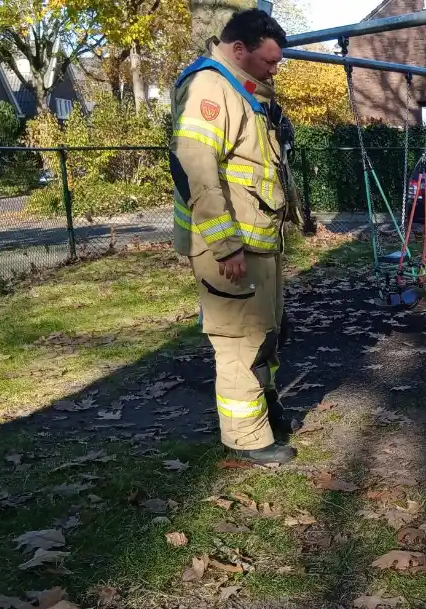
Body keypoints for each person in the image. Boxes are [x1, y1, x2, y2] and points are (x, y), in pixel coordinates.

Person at [170, 9, 300, 464]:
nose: (274, 69)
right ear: (239, 49)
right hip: (230, 246)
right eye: (269, 61)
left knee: (265, 333)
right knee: (238, 342)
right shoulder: (210, 88)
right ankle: (245, 437)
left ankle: (264, 407)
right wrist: (225, 246)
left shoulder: (242, 91)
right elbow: (197, 170)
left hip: (257, 241)